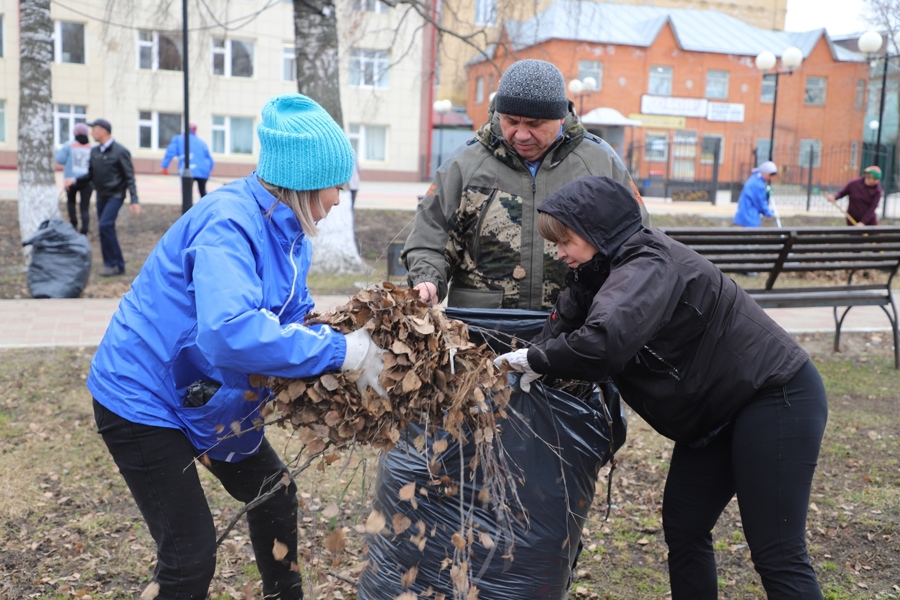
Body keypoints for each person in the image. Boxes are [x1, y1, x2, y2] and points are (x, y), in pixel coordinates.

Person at [87, 94, 386, 599]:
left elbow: (291, 311)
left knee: (274, 493)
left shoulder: (288, 230)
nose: (339, 198)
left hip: (203, 393)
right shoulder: (229, 222)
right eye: (336, 185)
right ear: (305, 181)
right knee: (189, 554)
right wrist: (340, 354)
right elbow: (229, 332)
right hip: (142, 397)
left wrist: (337, 338)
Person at [496, 176, 828, 599]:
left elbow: (604, 342)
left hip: (775, 396)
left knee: (777, 551)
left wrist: (538, 360)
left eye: (565, 240)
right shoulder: (594, 272)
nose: (558, 251)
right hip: (713, 415)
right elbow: (561, 332)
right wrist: (526, 358)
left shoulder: (647, 262)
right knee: (685, 528)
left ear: (598, 232)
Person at [402, 58, 648, 311]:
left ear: (560, 117)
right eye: (510, 121)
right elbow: (430, 236)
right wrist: (427, 281)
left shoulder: (599, 162)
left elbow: (637, 243)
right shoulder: (465, 164)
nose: (521, 134)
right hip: (481, 327)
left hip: (576, 327)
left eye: (534, 124)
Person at [67, 118, 140, 276]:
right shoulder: (94, 151)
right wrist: (74, 180)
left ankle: (111, 264)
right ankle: (119, 265)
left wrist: (134, 200)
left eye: (94, 129)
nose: (92, 132)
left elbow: (130, 177)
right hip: (101, 196)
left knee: (104, 226)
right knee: (106, 228)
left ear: (103, 131)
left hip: (116, 195)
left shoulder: (120, 151)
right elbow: (90, 175)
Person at [56, 122, 94, 235]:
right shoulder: (92, 147)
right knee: (84, 206)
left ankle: (73, 225)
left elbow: (60, 159)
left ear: (75, 133)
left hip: (70, 180)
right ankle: (84, 230)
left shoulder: (69, 145)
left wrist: (56, 150)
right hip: (87, 181)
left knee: (71, 202)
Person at [161, 123, 216, 198]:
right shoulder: (201, 142)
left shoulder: (178, 139)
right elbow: (210, 160)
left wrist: (164, 167)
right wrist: (207, 172)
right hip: (203, 171)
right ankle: (206, 208)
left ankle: (188, 208)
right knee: (203, 192)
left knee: (187, 194)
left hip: (188, 170)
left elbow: (170, 152)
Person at [733, 160, 778, 227]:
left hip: (743, 216)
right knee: (752, 236)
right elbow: (760, 202)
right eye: (770, 175)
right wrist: (770, 213)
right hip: (749, 218)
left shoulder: (754, 179)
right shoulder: (758, 185)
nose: (770, 178)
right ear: (765, 172)